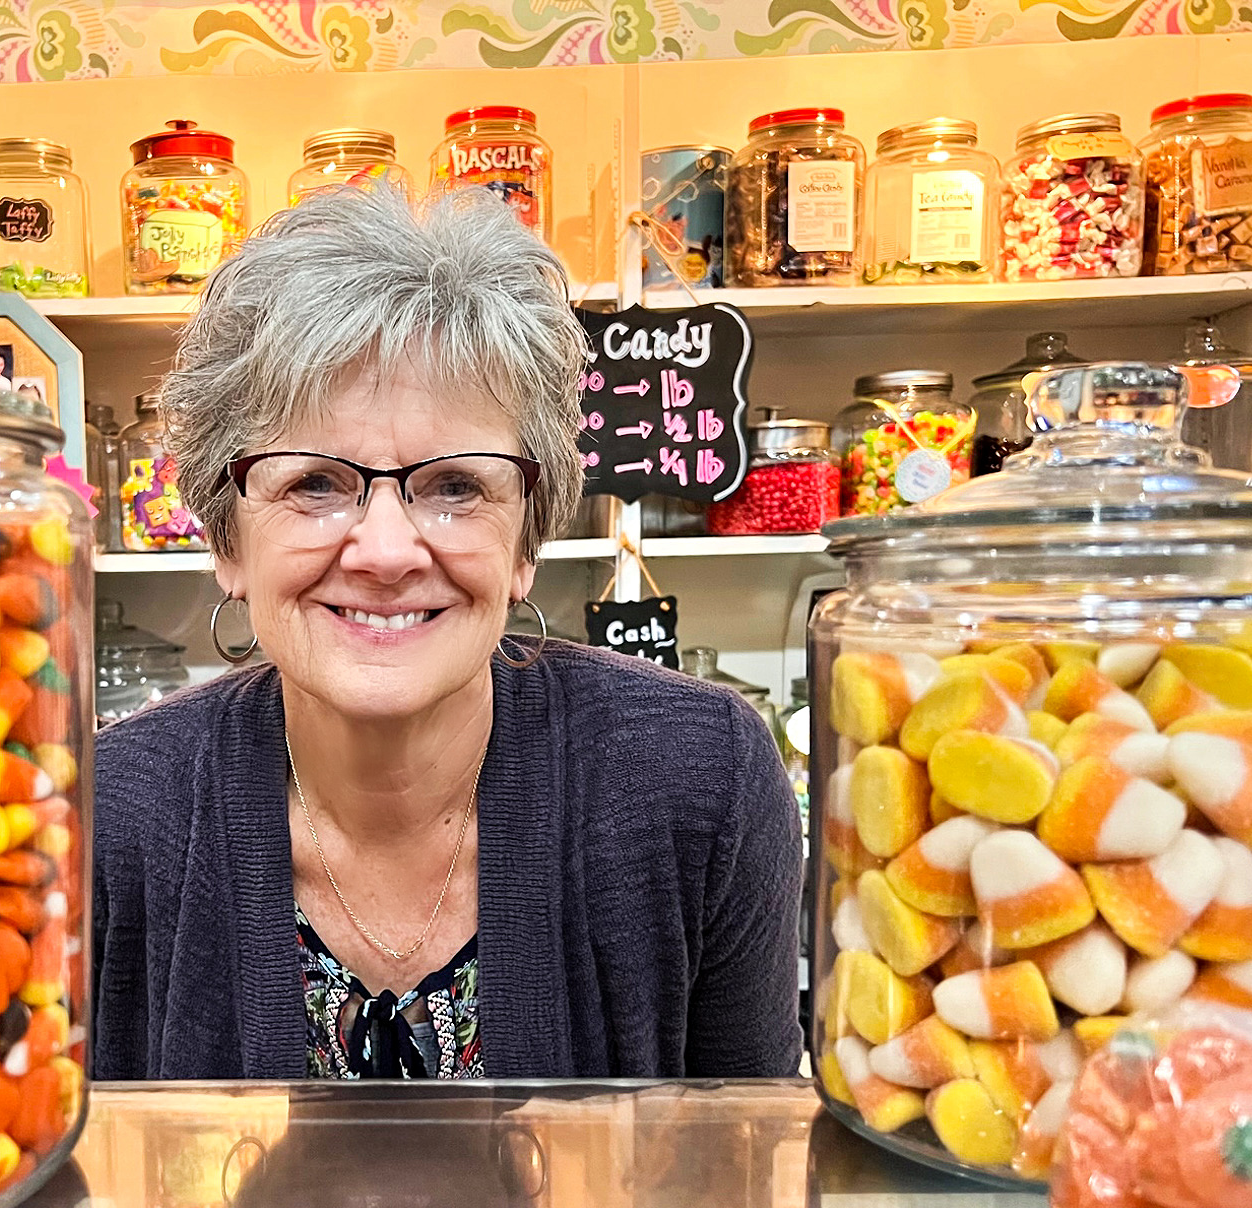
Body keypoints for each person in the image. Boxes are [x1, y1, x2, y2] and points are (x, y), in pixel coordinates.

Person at [92, 189, 802, 1080]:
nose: (387, 551)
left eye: (456, 486)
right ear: (227, 540)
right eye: (314, 482)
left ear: (525, 543)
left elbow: (739, 1174)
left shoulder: (702, 784)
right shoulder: (111, 812)